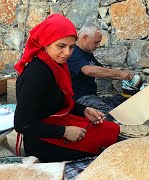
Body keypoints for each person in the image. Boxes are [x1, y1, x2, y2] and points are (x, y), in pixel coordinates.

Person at [14, 14, 120, 162]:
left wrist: (83, 110)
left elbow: (59, 101)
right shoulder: (36, 75)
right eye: (61, 46)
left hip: (58, 122)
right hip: (42, 140)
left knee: (112, 130)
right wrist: (64, 132)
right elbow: (22, 124)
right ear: (46, 42)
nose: (67, 53)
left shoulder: (57, 66)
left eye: (71, 47)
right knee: (108, 144)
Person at [67, 22, 133, 121]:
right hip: (80, 99)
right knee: (107, 113)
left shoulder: (88, 54)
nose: (98, 45)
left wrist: (125, 76)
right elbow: (88, 70)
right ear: (85, 37)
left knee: (125, 100)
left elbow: (104, 72)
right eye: (96, 42)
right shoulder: (74, 53)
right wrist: (119, 73)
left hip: (93, 97)